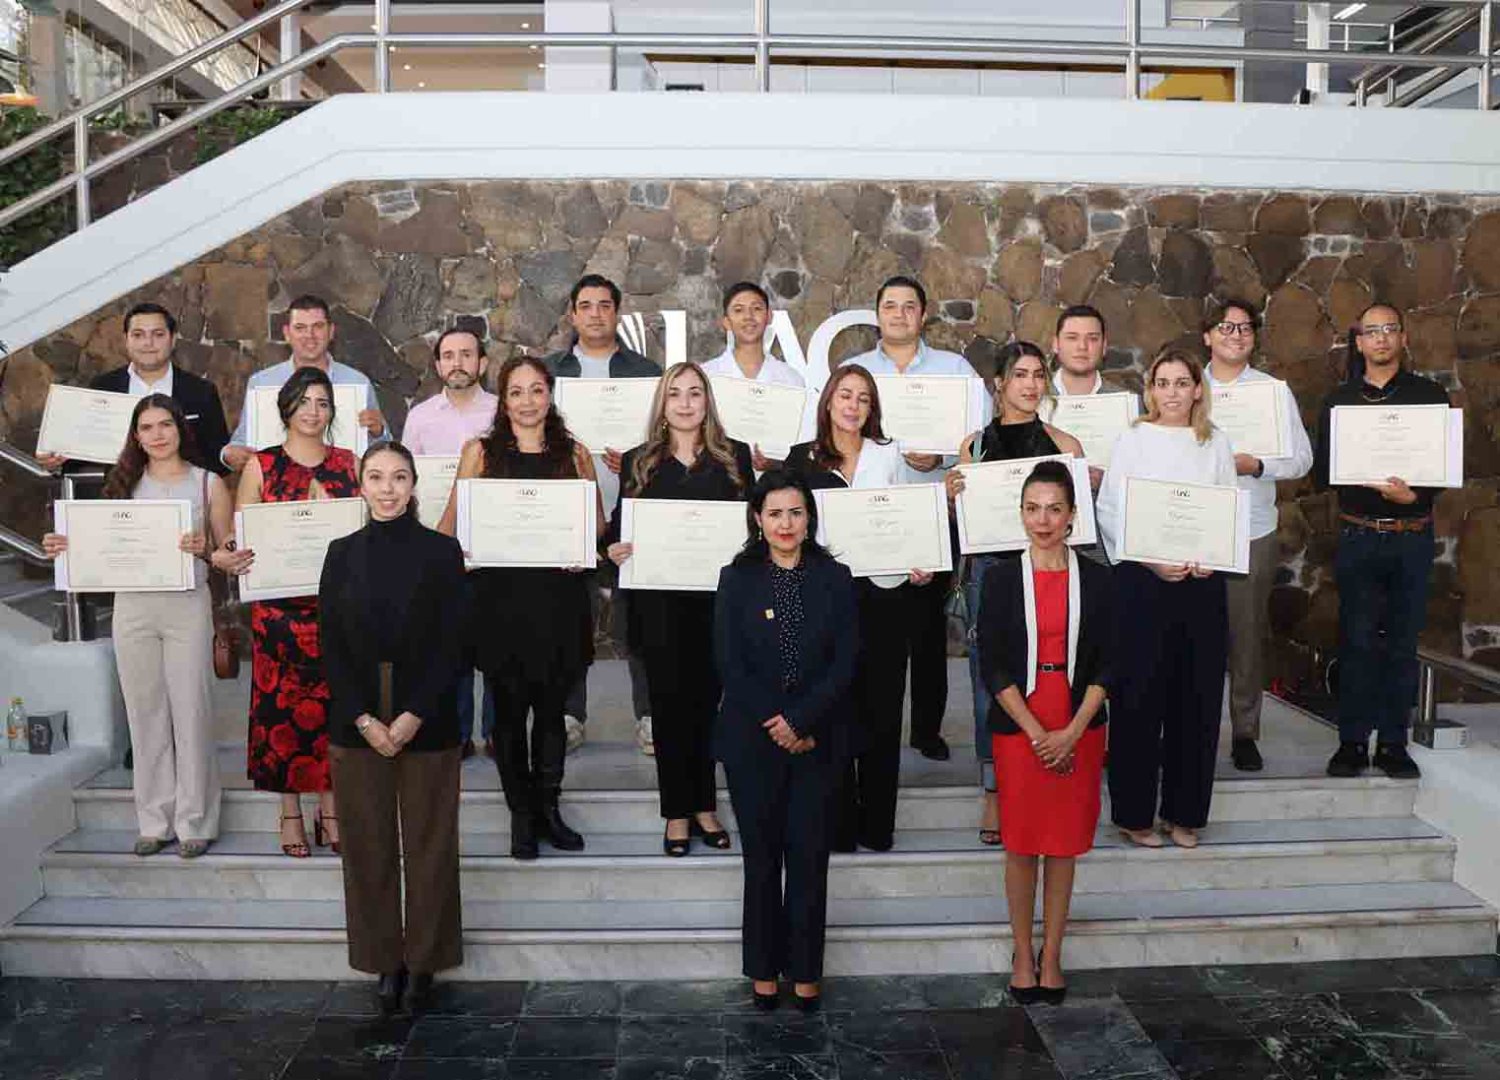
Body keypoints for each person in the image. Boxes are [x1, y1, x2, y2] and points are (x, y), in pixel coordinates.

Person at [42, 394, 230, 858]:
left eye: (166, 424)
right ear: (136, 436)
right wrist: (62, 543)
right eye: (147, 428)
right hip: (132, 608)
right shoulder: (121, 484)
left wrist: (204, 547)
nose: (158, 435)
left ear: (180, 429)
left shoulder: (209, 484)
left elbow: (227, 552)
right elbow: (95, 546)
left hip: (187, 605)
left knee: (192, 711)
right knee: (144, 714)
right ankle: (153, 820)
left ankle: (195, 823)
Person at [319, 442, 468, 1015]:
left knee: (430, 844)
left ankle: (425, 960)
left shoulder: (441, 552)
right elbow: (330, 643)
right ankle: (386, 960)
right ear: (359, 484)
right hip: (355, 717)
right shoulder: (340, 553)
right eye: (376, 477)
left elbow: (453, 642)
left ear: (413, 486)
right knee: (368, 844)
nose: (387, 488)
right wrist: (363, 716)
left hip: (426, 714)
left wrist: (410, 717)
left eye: (399, 477)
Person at [438, 356, 601, 859]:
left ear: (550, 395)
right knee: (507, 717)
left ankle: (549, 808)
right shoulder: (479, 453)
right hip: (500, 605)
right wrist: (460, 553)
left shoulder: (575, 454)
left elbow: (594, 526)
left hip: (559, 602)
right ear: (502, 399)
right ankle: (521, 816)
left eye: (536, 391)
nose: (527, 402)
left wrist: (582, 548)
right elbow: (450, 527)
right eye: (516, 392)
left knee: (552, 716)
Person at [715, 470, 858, 1012]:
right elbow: (729, 663)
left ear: (809, 518)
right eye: (774, 513)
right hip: (753, 740)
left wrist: (802, 721)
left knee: (808, 858)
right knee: (762, 859)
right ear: (758, 519)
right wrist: (777, 720)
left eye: (795, 513)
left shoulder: (835, 576)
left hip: (818, 739)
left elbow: (845, 661)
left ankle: (805, 971)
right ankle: (762, 969)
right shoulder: (737, 577)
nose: (785, 523)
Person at [843, 274, 992, 762]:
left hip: (933, 515)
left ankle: (927, 729)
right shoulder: (855, 371)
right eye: (890, 305)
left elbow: (982, 441)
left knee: (927, 632)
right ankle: (868, 719)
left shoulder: (955, 370)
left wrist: (946, 458)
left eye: (910, 306)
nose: (900, 314)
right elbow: (832, 436)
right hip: (869, 522)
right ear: (878, 313)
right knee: (868, 629)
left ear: (923, 315)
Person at [977, 461, 1111, 1004]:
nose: (1043, 519)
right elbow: (993, 663)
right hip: (1019, 723)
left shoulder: (1099, 578)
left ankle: (1052, 954)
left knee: (1062, 846)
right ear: (1021, 513)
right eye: (1032, 508)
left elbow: (1110, 661)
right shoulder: (1003, 578)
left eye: (1055, 508)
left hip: (1080, 721)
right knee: (1021, 843)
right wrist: (1038, 733)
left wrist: (1072, 731)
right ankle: (1021, 952)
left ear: (1073, 515)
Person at [607, 361, 751, 855]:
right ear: (663, 405)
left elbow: (752, 530)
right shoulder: (638, 461)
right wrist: (614, 548)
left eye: (695, 393)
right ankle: (675, 812)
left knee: (709, 708)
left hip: (718, 607)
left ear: (707, 401)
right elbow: (615, 529)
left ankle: (705, 805)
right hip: (659, 607)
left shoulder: (735, 458)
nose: (686, 403)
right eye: (675, 394)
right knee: (669, 711)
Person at [217, 366, 359, 858]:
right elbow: (241, 533)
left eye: (322, 402)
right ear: (285, 408)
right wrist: (233, 551)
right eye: (303, 402)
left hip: (336, 612)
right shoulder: (261, 466)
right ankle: (290, 813)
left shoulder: (349, 464)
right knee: (281, 717)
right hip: (278, 614)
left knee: (334, 714)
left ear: (332, 411)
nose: (312, 412)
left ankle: (332, 809)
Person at [945, 342, 1084, 845]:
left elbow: (1077, 523)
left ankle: (1049, 772)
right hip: (991, 577)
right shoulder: (973, 447)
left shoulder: (1065, 445)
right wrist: (952, 500)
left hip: (1049, 574)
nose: (1030, 384)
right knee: (992, 681)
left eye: (1037, 375)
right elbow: (966, 529)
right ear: (998, 383)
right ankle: (993, 789)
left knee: (1051, 675)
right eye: (1019, 374)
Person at [783, 364, 926, 853]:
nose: (853, 406)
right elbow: (786, 528)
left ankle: (878, 826)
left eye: (863, 399)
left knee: (883, 713)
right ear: (827, 401)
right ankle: (839, 825)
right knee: (832, 711)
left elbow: (911, 518)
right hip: (824, 601)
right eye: (845, 395)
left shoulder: (890, 454)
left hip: (885, 597)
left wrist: (920, 561)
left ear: (872, 408)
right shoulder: (800, 460)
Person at [1096, 346, 1234, 850]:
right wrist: (1150, 558)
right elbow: (1111, 510)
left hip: (1201, 585)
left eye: (1181, 382)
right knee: (1138, 699)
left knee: (1195, 702)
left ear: (1198, 388)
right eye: (1162, 382)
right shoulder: (1132, 438)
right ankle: (1134, 814)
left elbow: (1225, 512)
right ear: (1149, 390)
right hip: (1142, 581)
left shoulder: (1215, 442)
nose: (1172, 392)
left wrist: (1209, 557)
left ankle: (1185, 814)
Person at [1314, 303, 1448, 780]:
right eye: (1372, 332)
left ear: (1404, 337)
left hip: (1411, 537)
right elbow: (1324, 468)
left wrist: (1415, 495)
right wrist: (1358, 475)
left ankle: (1393, 743)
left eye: (1390, 329)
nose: (1382, 339)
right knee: (1356, 639)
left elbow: (1445, 465)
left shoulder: (1431, 396)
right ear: (1359, 342)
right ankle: (1351, 741)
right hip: (1358, 533)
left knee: (1402, 643)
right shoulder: (1339, 401)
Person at [543, 274, 658, 756]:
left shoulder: (646, 371)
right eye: (585, 306)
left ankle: (650, 717)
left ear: (617, 312)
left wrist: (636, 456)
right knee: (570, 618)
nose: (595, 314)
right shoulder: (550, 372)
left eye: (604, 305)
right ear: (572, 314)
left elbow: (663, 438)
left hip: (631, 508)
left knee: (640, 620)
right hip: (572, 511)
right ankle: (570, 715)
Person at [1203, 299, 1313, 772]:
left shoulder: (1272, 393)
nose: (1236, 334)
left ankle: (1245, 732)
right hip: (1191, 530)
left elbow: (1302, 459)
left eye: (1246, 328)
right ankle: (1196, 727)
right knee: (1193, 638)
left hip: (1252, 530)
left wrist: (1260, 465)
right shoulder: (1186, 386)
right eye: (1226, 326)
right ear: (1207, 335)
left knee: (1246, 638)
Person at [401, 326, 499, 760]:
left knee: (496, 644)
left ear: (483, 362)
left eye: (466, 354)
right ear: (437, 364)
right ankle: (457, 732)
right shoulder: (420, 416)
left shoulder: (503, 412)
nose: (457, 362)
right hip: (440, 545)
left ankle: (496, 731)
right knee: (450, 644)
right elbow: (406, 481)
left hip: (496, 542)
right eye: (448, 355)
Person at [37, 303, 231, 476]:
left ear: (172, 340)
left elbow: (219, 458)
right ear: (126, 340)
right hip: (122, 500)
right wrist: (56, 461)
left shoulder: (201, 391)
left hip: (184, 500)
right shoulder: (104, 387)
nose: (148, 343)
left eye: (158, 334)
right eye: (138, 335)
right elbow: (87, 449)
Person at [221, 294, 387, 471]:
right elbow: (241, 440)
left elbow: (384, 449)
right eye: (300, 327)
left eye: (318, 326)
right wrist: (228, 454)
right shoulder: (261, 383)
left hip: (342, 489)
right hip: (279, 491)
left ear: (331, 331)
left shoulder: (358, 382)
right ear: (287, 333)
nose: (310, 335)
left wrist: (378, 432)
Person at [701, 281, 805, 470]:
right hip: (717, 480)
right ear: (726, 322)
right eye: (739, 310)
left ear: (769, 316)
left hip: (772, 485)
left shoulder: (791, 379)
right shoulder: (706, 376)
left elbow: (799, 445)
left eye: (756, 309)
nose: (748, 317)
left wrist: (776, 463)